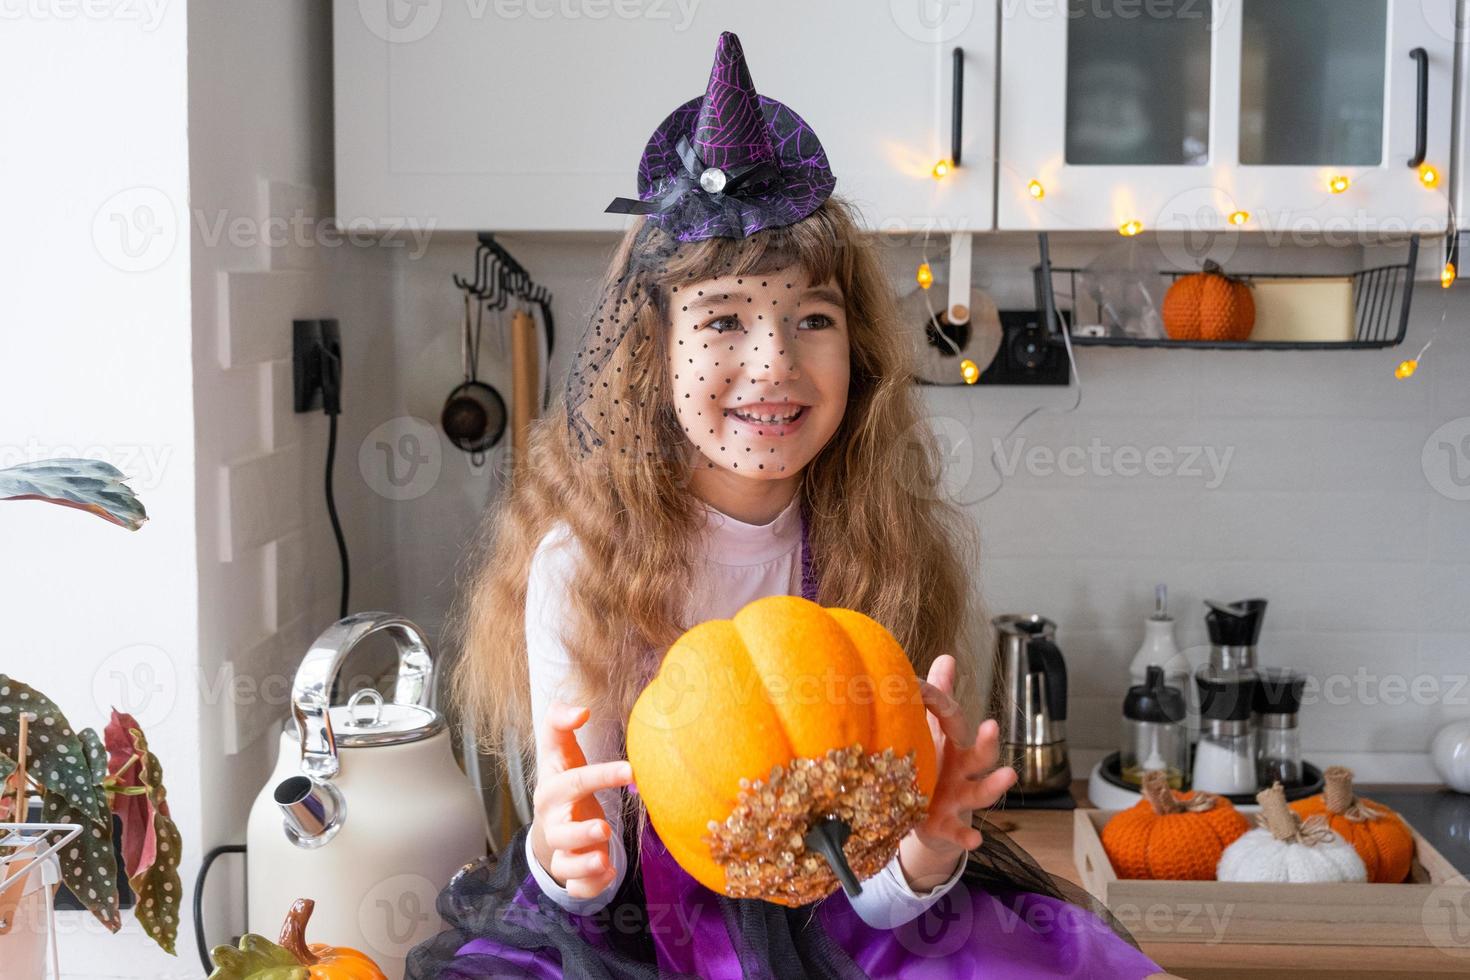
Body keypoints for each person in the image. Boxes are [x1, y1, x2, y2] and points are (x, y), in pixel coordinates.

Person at [407, 30, 1167, 979]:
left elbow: (877, 881)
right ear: (653, 354)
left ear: (858, 351)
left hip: (849, 930)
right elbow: (589, 879)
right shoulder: (584, 562)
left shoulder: (880, 545)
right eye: (723, 319)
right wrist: (568, 858)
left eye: (813, 319)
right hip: (648, 940)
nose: (773, 362)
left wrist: (930, 847)